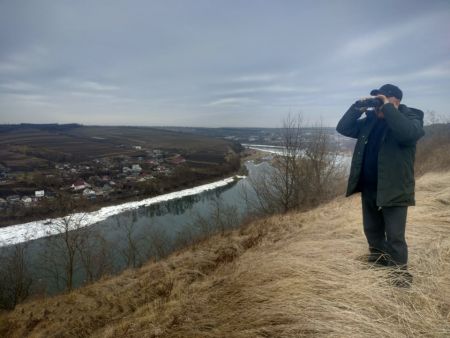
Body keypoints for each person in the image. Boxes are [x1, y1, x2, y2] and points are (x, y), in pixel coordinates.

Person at [336, 84, 425, 287]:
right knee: (372, 230)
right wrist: (358, 106)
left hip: (394, 188)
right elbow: (343, 127)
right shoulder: (370, 122)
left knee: (395, 236)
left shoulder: (412, 118)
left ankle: (399, 277)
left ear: (396, 100)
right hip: (369, 186)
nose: (378, 106)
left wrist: (387, 108)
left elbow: (407, 134)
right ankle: (378, 263)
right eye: (376, 101)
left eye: (383, 100)